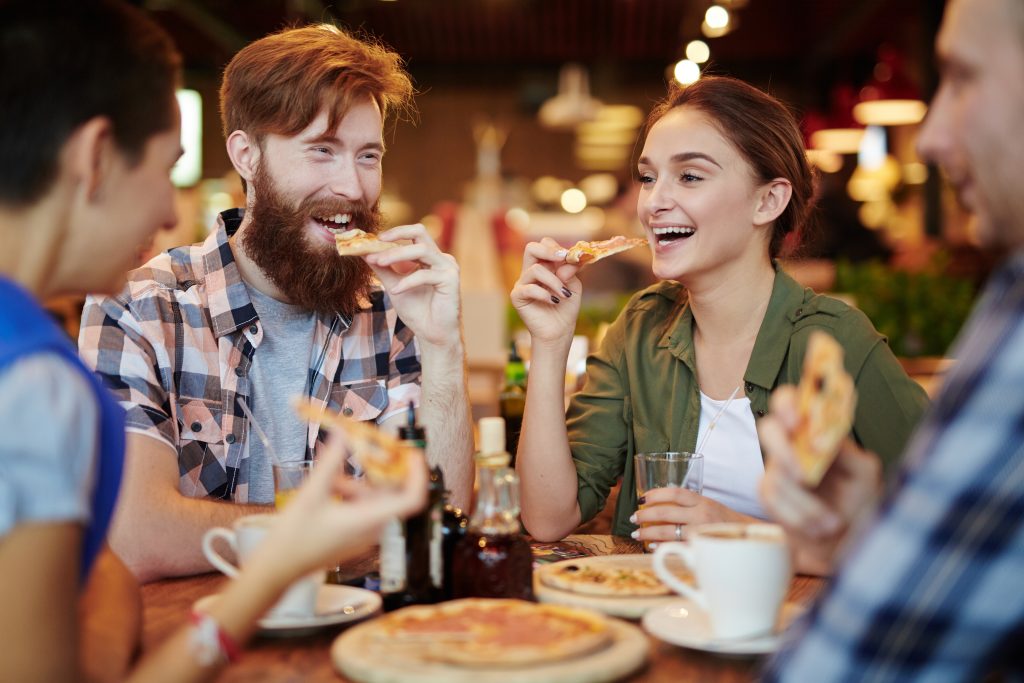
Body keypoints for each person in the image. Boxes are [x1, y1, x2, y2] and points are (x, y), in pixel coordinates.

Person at [0, 2, 427, 681]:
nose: (171, 212)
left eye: (366, 154)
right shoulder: (35, 385)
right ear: (96, 157)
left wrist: (282, 549)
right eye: (167, 169)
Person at [79, 22, 474, 582]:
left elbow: (440, 522)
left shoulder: (395, 310)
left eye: (368, 156)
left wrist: (442, 346)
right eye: (322, 150)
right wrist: (338, 534)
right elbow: (139, 536)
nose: (354, 187)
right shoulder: (138, 307)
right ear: (247, 155)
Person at [512, 75, 928, 573]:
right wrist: (550, 340)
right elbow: (547, 517)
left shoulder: (836, 339)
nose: (653, 202)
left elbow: (944, 527)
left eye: (689, 176)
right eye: (648, 177)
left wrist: (734, 532)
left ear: (768, 201)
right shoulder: (640, 328)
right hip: (657, 621)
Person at [759, 0, 1024, 678]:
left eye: (962, 78)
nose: (931, 139)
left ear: (771, 202)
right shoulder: (642, 331)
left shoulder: (844, 329)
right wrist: (864, 536)